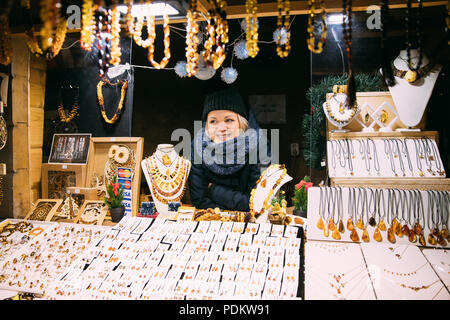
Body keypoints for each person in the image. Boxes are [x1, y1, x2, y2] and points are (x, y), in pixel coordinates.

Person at [188, 88, 268, 211]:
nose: (221, 128)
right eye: (213, 121)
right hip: (210, 222)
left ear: (241, 123)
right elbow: (199, 199)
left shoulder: (259, 146)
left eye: (229, 120)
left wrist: (214, 190)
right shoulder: (197, 147)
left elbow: (257, 203)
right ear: (207, 125)